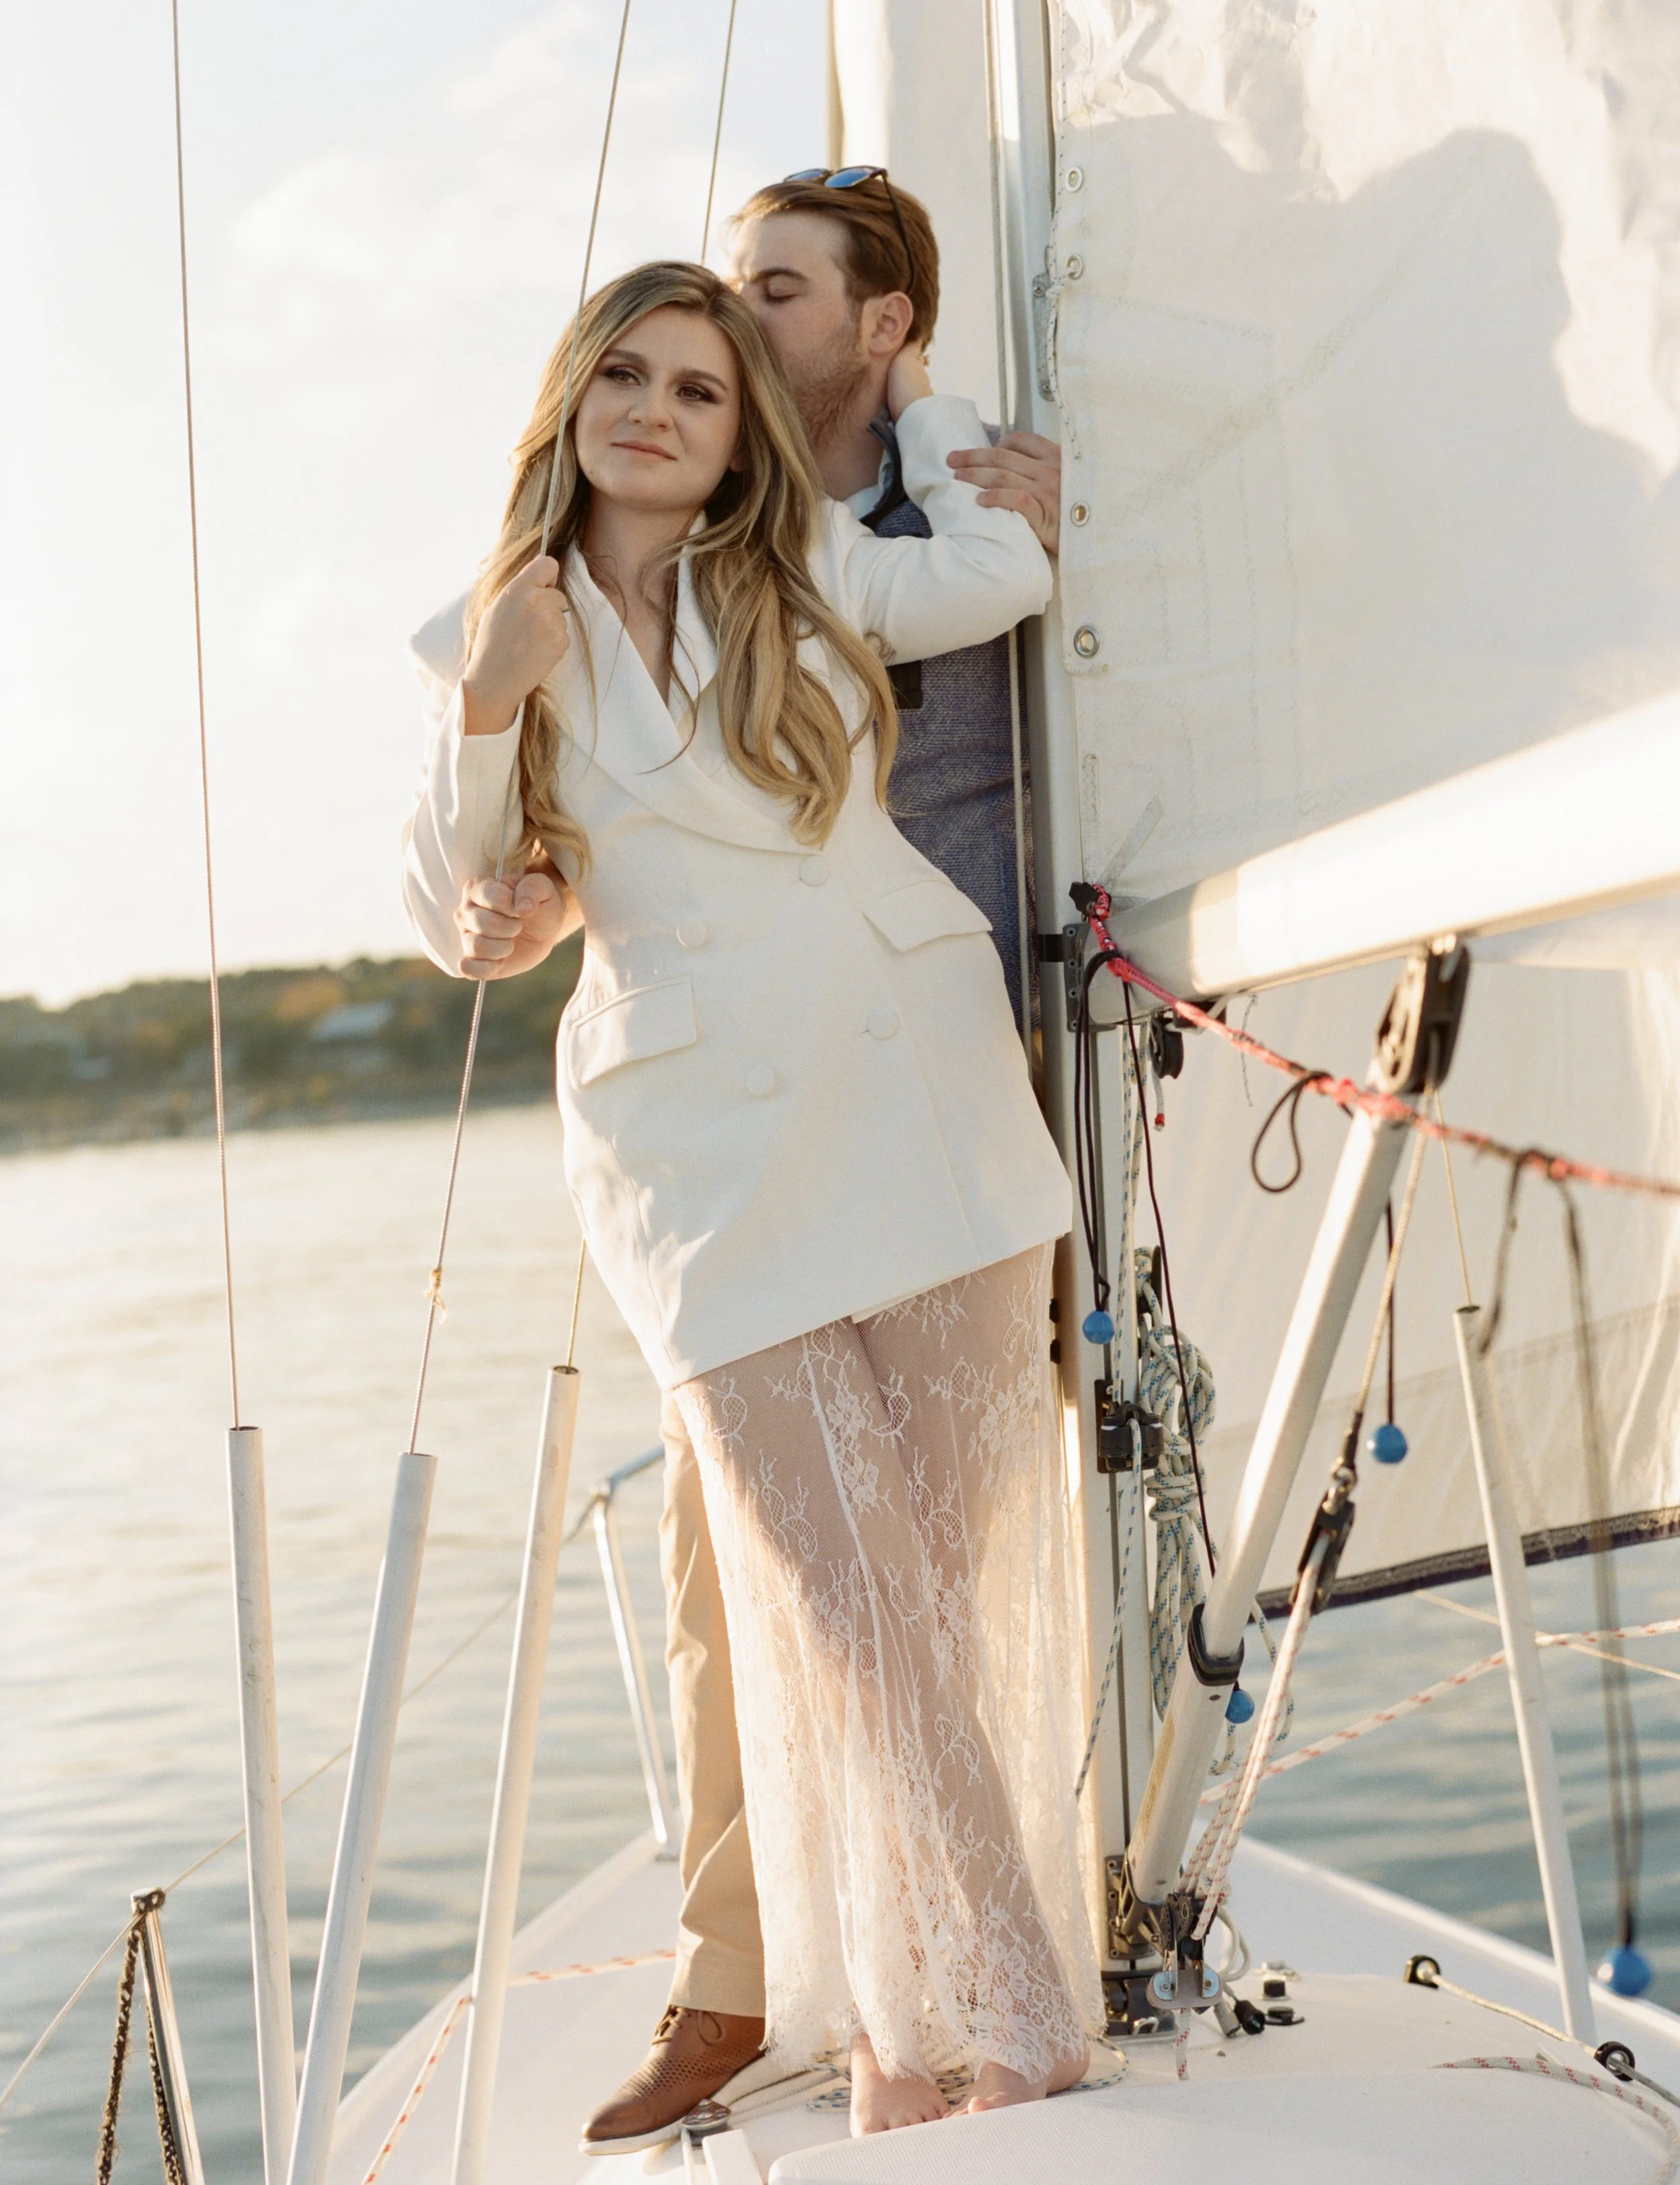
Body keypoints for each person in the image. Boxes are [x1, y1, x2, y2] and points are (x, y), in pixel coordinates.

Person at [403, 259, 1101, 2139]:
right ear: (572, 400)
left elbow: (1006, 576)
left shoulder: (804, 578)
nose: (656, 411)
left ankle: (909, 2024)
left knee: (926, 1604)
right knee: (842, 1605)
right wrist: (487, 716)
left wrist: (954, 440)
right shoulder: (492, 632)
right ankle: (1012, 2004)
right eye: (623, 374)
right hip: (699, 1153)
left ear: (736, 446)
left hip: (917, 1089)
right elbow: (461, 906)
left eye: (702, 392)